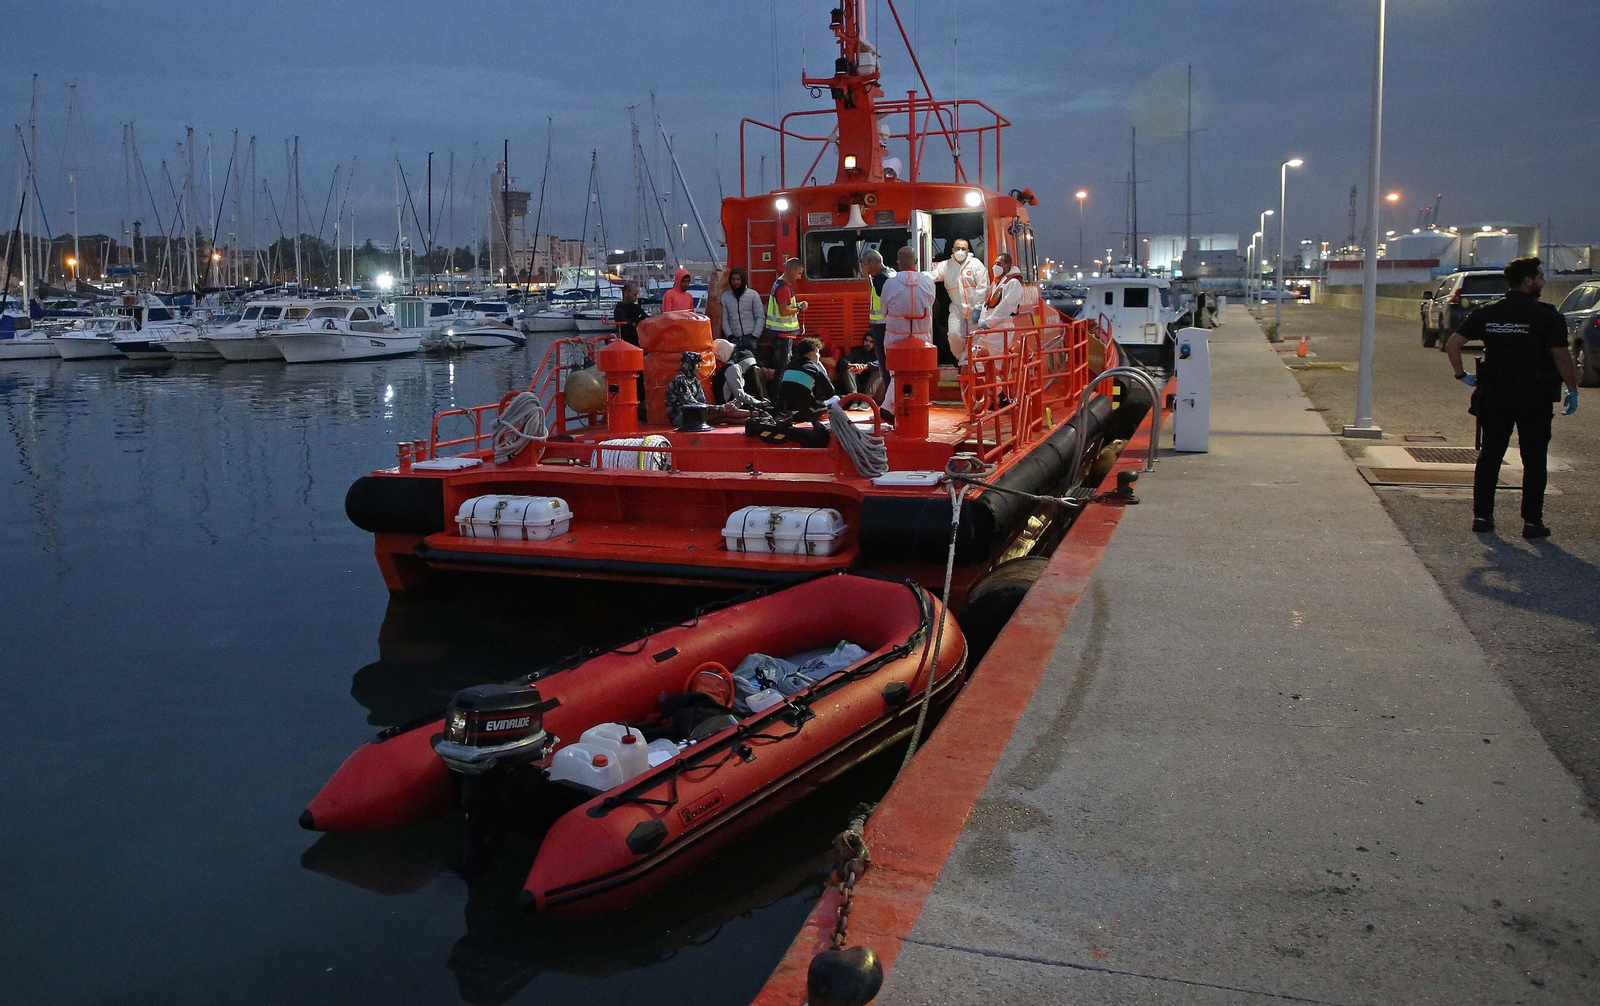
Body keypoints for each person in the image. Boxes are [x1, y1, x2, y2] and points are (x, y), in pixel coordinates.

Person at [1446, 256, 1580, 538]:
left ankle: (1482, 517)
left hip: (1495, 395)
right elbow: (1561, 357)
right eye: (1540, 276)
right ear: (1528, 280)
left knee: (1490, 456)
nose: (1543, 280)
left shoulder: (1488, 312)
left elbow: (1453, 344)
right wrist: (1572, 389)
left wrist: (1461, 375)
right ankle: (1532, 522)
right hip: (1535, 396)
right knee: (1534, 459)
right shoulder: (1547, 315)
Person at [879, 245, 937, 417]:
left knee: (896, 373)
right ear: (917, 262)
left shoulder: (890, 283)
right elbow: (931, 302)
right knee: (919, 374)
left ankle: (890, 408)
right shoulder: (928, 281)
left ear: (898, 263)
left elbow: (883, 310)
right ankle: (899, 408)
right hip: (922, 337)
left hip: (895, 336)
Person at [928, 237, 988, 366]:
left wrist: (978, 307)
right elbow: (933, 275)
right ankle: (962, 360)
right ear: (952, 249)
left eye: (963, 249)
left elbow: (983, 287)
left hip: (975, 308)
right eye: (957, 248)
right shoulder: (946, 265)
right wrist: (916, 276)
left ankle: (966, 365)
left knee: (976, 339)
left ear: (968, 250)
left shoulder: (976, 264)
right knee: (954, 335)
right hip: (957, 308)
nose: (960, 251)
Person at [774, 336, 836, 423]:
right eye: (818, 353)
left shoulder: (789, 366)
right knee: (836, 398)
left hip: (783, 412)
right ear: (811, 354)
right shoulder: (814, 368)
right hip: (803, 414)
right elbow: (831, 392)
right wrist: (822, 368)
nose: (819, 356)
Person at [766, 258, 806, 377]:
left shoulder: (778, 284)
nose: (799, 277)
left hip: (779, 334)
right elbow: (783, 311)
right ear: (792, 270)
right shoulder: (784, 288)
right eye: (799, 273)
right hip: (783, 334)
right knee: (783, 369)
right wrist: (800, 307)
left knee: (781, 369)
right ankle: (780, 394)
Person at [861, 248, 893, 381]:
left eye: (864, 264)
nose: (862, 267)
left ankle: (889, 396)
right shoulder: (891, 272)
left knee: (884, 365)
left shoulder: (880, 278)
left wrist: (866, 277)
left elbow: (874, 297)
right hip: (890, 325)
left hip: (882, 326)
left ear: (872, 262)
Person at [719, 267, 764, 352]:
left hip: (750, 337)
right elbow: (725, 319)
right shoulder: (725, 297)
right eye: (733, 279)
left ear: (742, 280)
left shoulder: (753, 295)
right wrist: (730, 336)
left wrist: (755, 336)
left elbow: (760, 317)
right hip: (734, 339)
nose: (735, 282)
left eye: (738, 279)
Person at [712, 337, 765, 407]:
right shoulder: (732, 368)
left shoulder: (731, 367)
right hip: (729, 405)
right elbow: (739, 394)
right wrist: (758, 402)